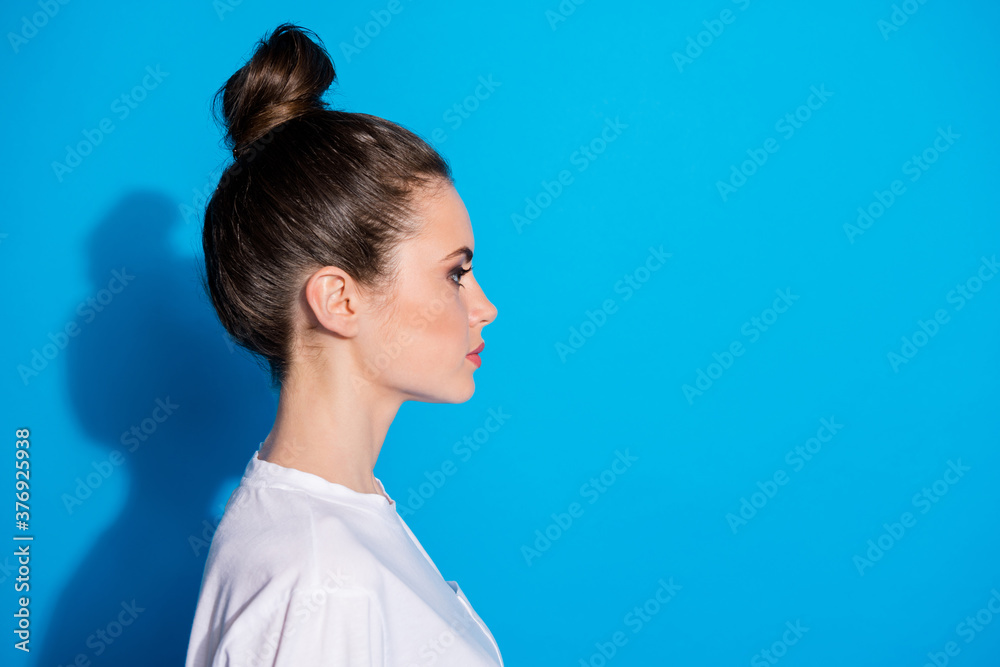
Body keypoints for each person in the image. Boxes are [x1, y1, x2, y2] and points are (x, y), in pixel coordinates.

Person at [183, 23, 502, 666]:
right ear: (340, 300)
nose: (485, 308)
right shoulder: (324, 581)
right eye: (454, 273)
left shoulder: (338, 527)